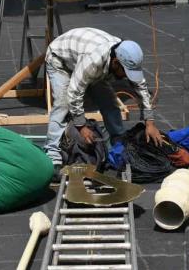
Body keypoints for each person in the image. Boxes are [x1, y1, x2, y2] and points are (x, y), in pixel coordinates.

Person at [44, 27, 165, 180]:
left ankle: (118, 141)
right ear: (115, 63)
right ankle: (52, 154)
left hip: (88, 63)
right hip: (59, 59)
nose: (126, 77)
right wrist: (81, 126)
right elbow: (74, 93)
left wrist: (150, 123)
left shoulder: (124, 55)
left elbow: (140, 87)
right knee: (63, 104)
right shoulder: (93, 62)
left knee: (110, 103)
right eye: (125, 72)